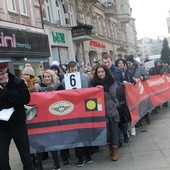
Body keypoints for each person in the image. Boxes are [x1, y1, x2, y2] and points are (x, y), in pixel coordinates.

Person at [0, 60, 33, 170]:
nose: (0, 77)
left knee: (26, 157)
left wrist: (7, 94)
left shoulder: (17, 82)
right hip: (2, 128)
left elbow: (26, 99)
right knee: (2, 159)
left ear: (6, 71)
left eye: (2, 73)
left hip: (18, 126)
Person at [61, 61, 93, 167]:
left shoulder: (86, 77)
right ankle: (81, 157)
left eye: (75, 70)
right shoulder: (64, 81)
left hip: (83, 108)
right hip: (73, 109)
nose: (73, 72)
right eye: (72, 70)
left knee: (85, 132)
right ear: (69, 70)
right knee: (76, 133)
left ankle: (88, 155)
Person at [90, 64, 120, 161]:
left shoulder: (111, 80)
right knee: (107, 132)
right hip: (100, 110)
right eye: (98, 72)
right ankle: (110, 146)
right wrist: (95, 90)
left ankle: (115, 150)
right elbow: (89, 95)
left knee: (114, 130)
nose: (100, 74)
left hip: (112, 108)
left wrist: (102, 89)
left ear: (106, 72)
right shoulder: (93, 83)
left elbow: (113, 93)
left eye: (102, 71)